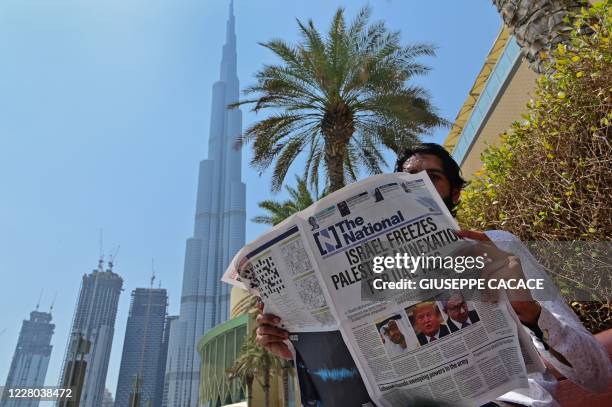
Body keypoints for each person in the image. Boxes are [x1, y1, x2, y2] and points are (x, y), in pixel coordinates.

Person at [256, 143, 610, 406]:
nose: (419, 186)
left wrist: (530, 311)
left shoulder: (499, 248)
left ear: (454, 192)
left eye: (432, 178)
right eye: (408, 180)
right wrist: (297, 351)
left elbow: (597, 376)